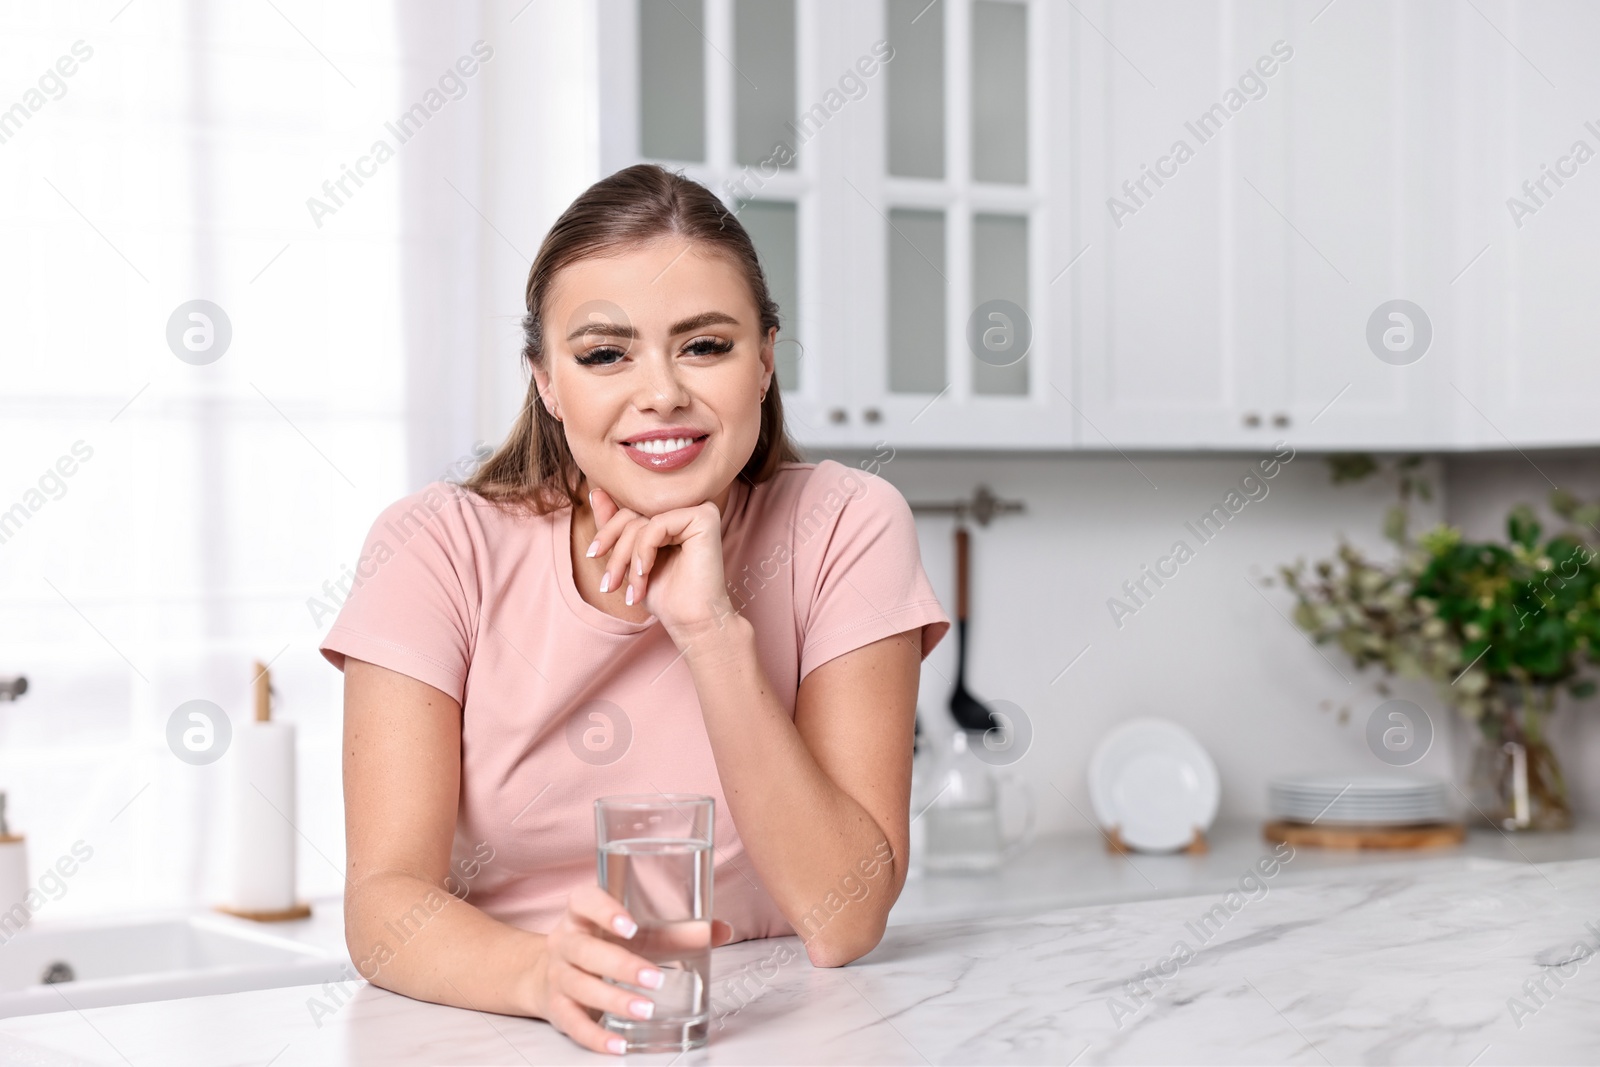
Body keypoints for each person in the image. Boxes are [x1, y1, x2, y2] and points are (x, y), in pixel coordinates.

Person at [319, 163, 949, 1055]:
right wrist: (540, 975)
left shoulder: (846, 525)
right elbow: (382, 905)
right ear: (545, 380)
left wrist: (710, 630)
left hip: (776, 1030)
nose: (661, 392)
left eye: (705, 345)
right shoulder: (436, 547)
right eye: (605, 353)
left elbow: (843, 922)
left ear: (766, 358)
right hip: (497, 1023)